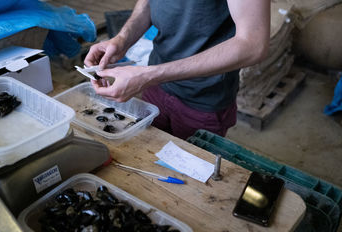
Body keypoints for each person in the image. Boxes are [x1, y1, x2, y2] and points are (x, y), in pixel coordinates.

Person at [84, 0, 270, 140]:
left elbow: (253, 44)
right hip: (155, 85)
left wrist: (149, 75)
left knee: (189, 176)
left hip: (202, 97)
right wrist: (122, 40)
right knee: (145, 149)